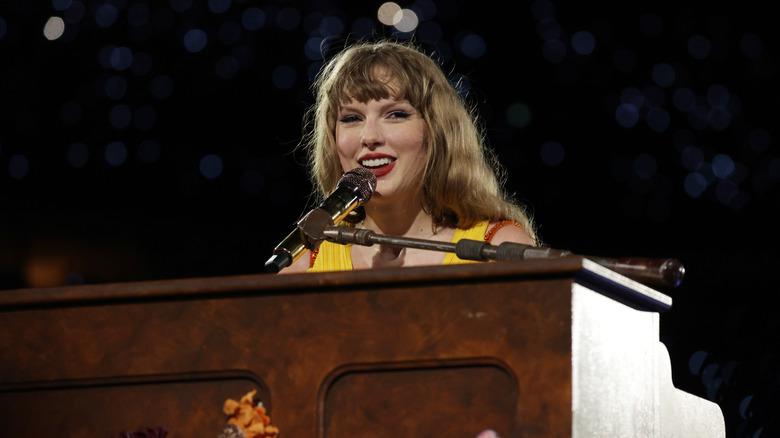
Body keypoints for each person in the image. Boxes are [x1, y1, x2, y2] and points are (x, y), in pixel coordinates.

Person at [281, 39, 539, 273]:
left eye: (395, 114)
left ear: (437, 131)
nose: (369, 136)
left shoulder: (498, 249)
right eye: (352, 118)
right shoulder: (304, 263)